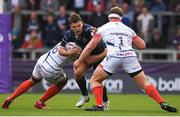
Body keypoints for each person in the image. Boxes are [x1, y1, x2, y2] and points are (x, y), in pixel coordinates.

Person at [75, 6, 179, 112]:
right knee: (145, 83)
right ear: (121, 18)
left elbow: (90, 46)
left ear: (109, 17)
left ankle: (99, 106)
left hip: (114, 56)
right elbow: (142, 45)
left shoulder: (103, 28)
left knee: (95, 80)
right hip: (130, 56)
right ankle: (162, 102)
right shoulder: (128, 29)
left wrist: (79, 61)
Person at [1, 41, 81, 109]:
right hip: (51, 68)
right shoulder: (76, 47)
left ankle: (10, 98)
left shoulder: (66, 38)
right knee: (63, 81)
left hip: (42, 60)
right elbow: (76, 57)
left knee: (32, 80)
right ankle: (40, 102)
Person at [59, 13, 109, 110]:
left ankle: (105, 102)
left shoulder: (89, 31)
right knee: (77, 73)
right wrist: (70, 53)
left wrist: (80, 59)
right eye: (74, 27)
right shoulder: (69, 34)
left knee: (98, 80)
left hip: (100, 55)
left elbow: (91, 48)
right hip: (86, 57)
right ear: (70, 26)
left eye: (79, 25)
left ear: (82, 23)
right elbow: (60, 50)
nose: (77, 28)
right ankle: (85, 96)